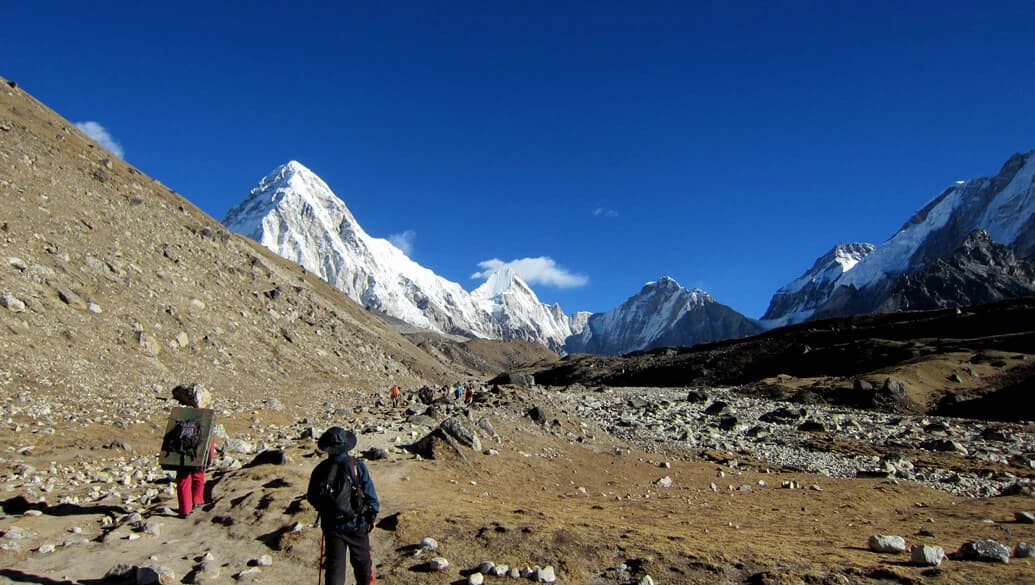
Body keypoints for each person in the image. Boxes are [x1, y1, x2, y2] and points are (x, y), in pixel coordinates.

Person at [308, 427, 380, 585]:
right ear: (346, 445)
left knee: (334, 567)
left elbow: (312, 497)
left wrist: (326, 509)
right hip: (357, 524)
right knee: (363, 565)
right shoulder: (357, 466)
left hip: (331, 526)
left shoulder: (320, 470)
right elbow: (371, 497)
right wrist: (371, 517)